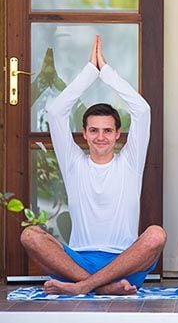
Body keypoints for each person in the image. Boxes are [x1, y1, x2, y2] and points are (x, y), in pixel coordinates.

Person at [20, 35, 166, 296]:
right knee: (30, 235)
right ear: (84, 134)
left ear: (118, 135)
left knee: (156, 234)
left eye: (108, 130)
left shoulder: (130, 162)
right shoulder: (74, 162)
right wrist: (89, 72)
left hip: (125, 263)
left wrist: (106, 72)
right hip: (78, 262)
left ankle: (85, 287)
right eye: (94, 130)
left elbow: (142, 111)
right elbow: (56, 113)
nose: (101, 137)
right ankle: (102, 287)